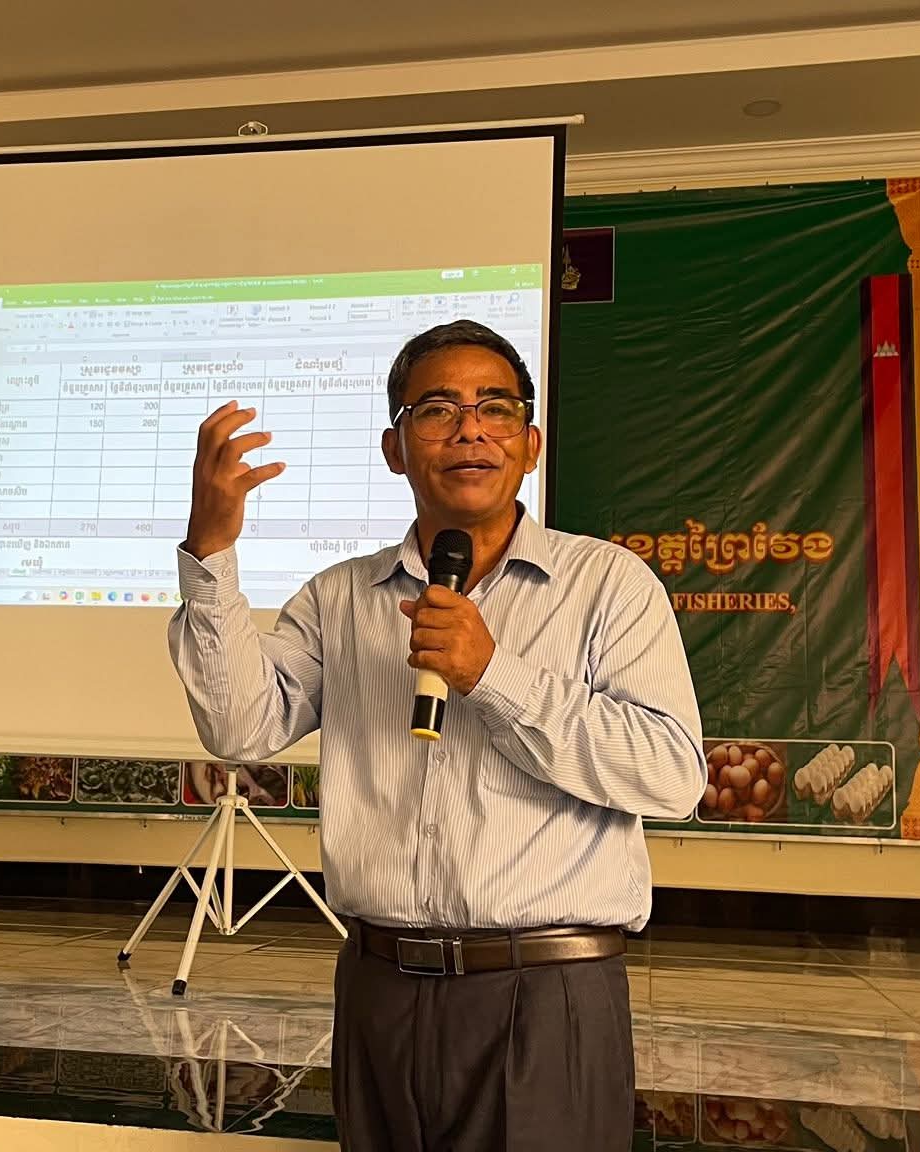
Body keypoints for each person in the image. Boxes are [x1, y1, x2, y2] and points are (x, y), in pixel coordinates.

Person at [167, 319, 706, 1152]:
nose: (469, 430)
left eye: (495, 408)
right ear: (394, 448)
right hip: (379, 987)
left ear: (531, 445)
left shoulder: (608, 585)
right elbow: (242, 726)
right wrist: (211, 551)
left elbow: (671, 776)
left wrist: (493, 674)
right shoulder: (340, 597)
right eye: (438, 410)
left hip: (547, 992)